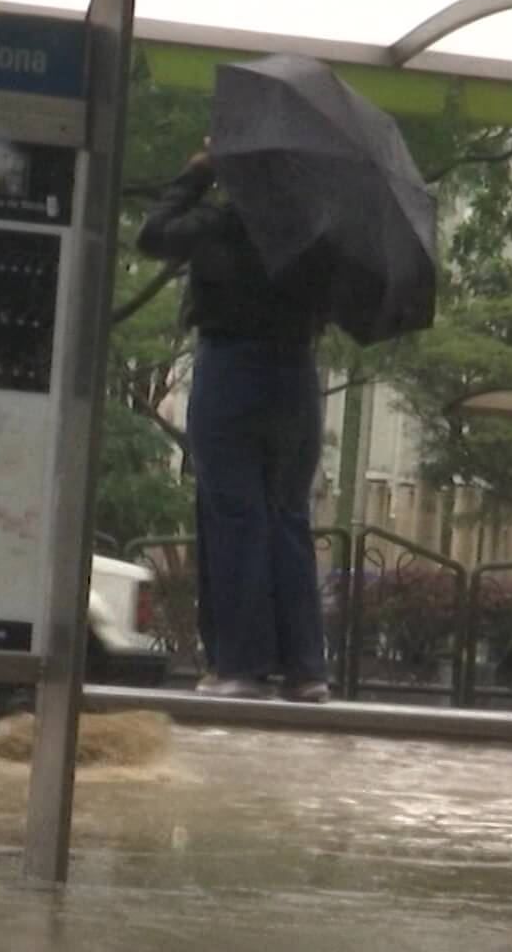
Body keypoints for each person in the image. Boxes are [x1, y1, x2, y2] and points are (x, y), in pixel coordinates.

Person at [138, 138, 334, 702]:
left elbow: (153, 233)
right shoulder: (314, 234)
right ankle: (305, 668)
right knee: (288, 515)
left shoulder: (221, 224)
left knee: (235, 514)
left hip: (231, 367)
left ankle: (240, 665)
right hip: (297, 375)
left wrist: (197, 170)